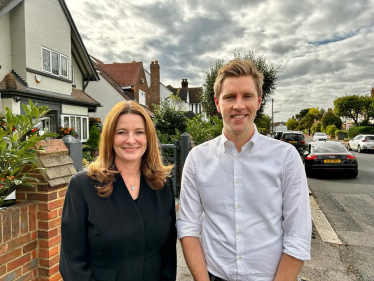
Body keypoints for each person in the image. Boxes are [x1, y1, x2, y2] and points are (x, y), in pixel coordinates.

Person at [177, 60, 311, 281]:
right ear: (217, 103)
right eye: (230, 97)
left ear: (258, 102)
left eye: (247, 96)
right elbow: (188, 227)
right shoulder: (197, 160)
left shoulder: (286, 158)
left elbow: (298, 236)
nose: (238, 105)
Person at [60, 101, 177, 281]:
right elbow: (72, 263)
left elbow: (168, 253)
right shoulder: (83, 187)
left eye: (139, 132)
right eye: (121, 132)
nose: (131, 140)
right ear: (110, 137)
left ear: (148, 138)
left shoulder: (162, 185)